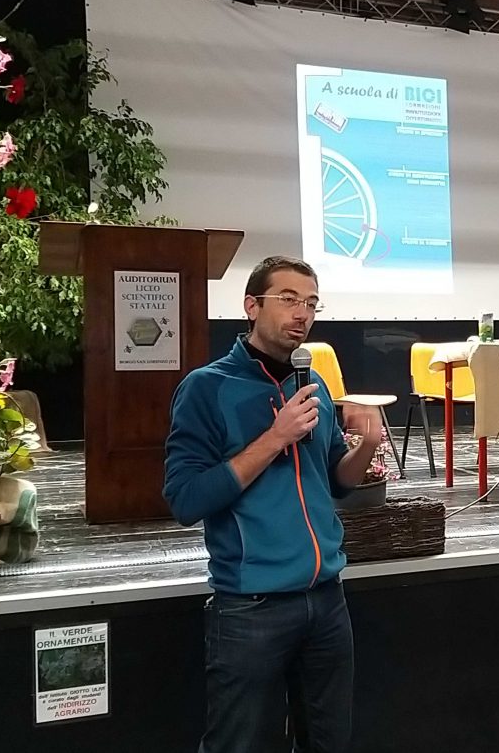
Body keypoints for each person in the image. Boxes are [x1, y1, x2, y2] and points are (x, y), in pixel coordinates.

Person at [164, 256, 381, 753]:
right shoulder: (207, 388)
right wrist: (275, 437)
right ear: (251, 306)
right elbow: (186, 499)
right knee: (238, 744)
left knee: (329, 742)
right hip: (252, 606)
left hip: (326, 599)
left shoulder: (313, 384)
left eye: (311, 303)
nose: (302, 313)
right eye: (287, 299)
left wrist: (366, 447)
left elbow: (338, 482)